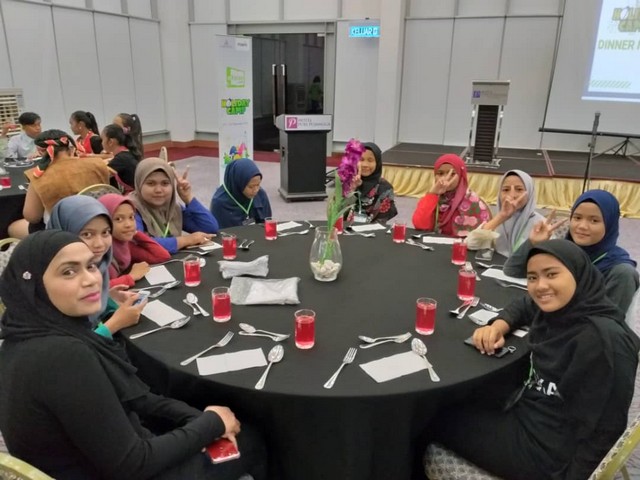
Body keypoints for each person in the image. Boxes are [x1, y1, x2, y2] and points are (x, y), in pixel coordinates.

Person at [0, 230, 267, 480]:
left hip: (99, 455)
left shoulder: (27, 335)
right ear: (33, 285)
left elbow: (136, 399)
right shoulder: (62, 356)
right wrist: (212, 423)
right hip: (119, 470)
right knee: (253, 437)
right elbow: (133, 463)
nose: (91, 279)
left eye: (91, 266)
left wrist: (200, 420)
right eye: (68, 272)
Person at [431, 240, 639, 480]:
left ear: (578, 273)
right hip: (529, 414)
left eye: (551, 274)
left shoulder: (604, 343)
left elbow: (604, 433)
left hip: (547, 455)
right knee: (455, 400)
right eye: (532, 277)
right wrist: (499, 325)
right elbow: (526, 304)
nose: (540, 286)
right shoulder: (567, 307)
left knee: (431, 418)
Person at [504, 189, 639, 313]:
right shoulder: (564, 251)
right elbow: (512, 270)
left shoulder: (621, 272)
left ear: (610, 224)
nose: (582, 226)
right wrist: (534, 243)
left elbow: (608, 320)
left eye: (594, 220)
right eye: (577, 218)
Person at [48, 195, 143, 336]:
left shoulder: (99, 265)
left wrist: (107, 299)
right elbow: (70, 347)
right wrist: (115, 324)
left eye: (105, 232)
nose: (99, 244)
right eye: (87, 234)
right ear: (64, 233)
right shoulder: (51, 278)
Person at [22, 129, 110, 227]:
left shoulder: (38, 175)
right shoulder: (98, 164)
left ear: (41, 152)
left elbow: (32, 217)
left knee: (17, 226)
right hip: (101, 221)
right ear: (70, 148)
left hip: (64, 229)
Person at [130, 157, 219, 254]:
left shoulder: (172, 207)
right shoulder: (130, 208)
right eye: (151, 183)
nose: (158, 190)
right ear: (139, 184)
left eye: (165, 183)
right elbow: (141, 243)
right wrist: (186, 240)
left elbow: (210, 228)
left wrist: (188, 198)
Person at [98, 193, 170, 288]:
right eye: (118, 219)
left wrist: (136, 233)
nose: (128, 224)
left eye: (131, 217)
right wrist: (131, 277)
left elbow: (162, 256)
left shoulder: (125, 244)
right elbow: (97, 289)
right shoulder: (98, 252)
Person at [465, 170, 544, 257]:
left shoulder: (541, 224)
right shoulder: (499, 222)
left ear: (530, 192)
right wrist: (501, 217)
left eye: (519, 189)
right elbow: (470, 244)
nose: (512, 195)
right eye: (506, 190)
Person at [412, 154, 491, 236]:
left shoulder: (473, 202)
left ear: (461, 175)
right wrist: (432, 194)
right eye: (440, 173)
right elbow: (419, 225)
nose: (445, 178)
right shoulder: (433, 197)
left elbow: (481, 237)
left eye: (452, 174)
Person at [210, 158, 272, 229]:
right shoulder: (219, 203)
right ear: (238, 183)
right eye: (251, 187)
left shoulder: (260, 194)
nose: (255, 190)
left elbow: (268, 224)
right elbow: (217, 232)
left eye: (258, 185)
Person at [344, 142, 397, 224]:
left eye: (370, 160)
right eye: (361, 159)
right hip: (345, 228)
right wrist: (352, 189)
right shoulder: (346, 182)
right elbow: (336, 214)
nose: (365, 165)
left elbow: (381, 221)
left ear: (377, 163)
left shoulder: (385, 188)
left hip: (373, 230)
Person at [101, 123, 141, 192]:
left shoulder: (120, 159)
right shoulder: (126, 152)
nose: (101, 143)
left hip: (135, 193)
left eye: (102, 139)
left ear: (110, 142)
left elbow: (102, 175)